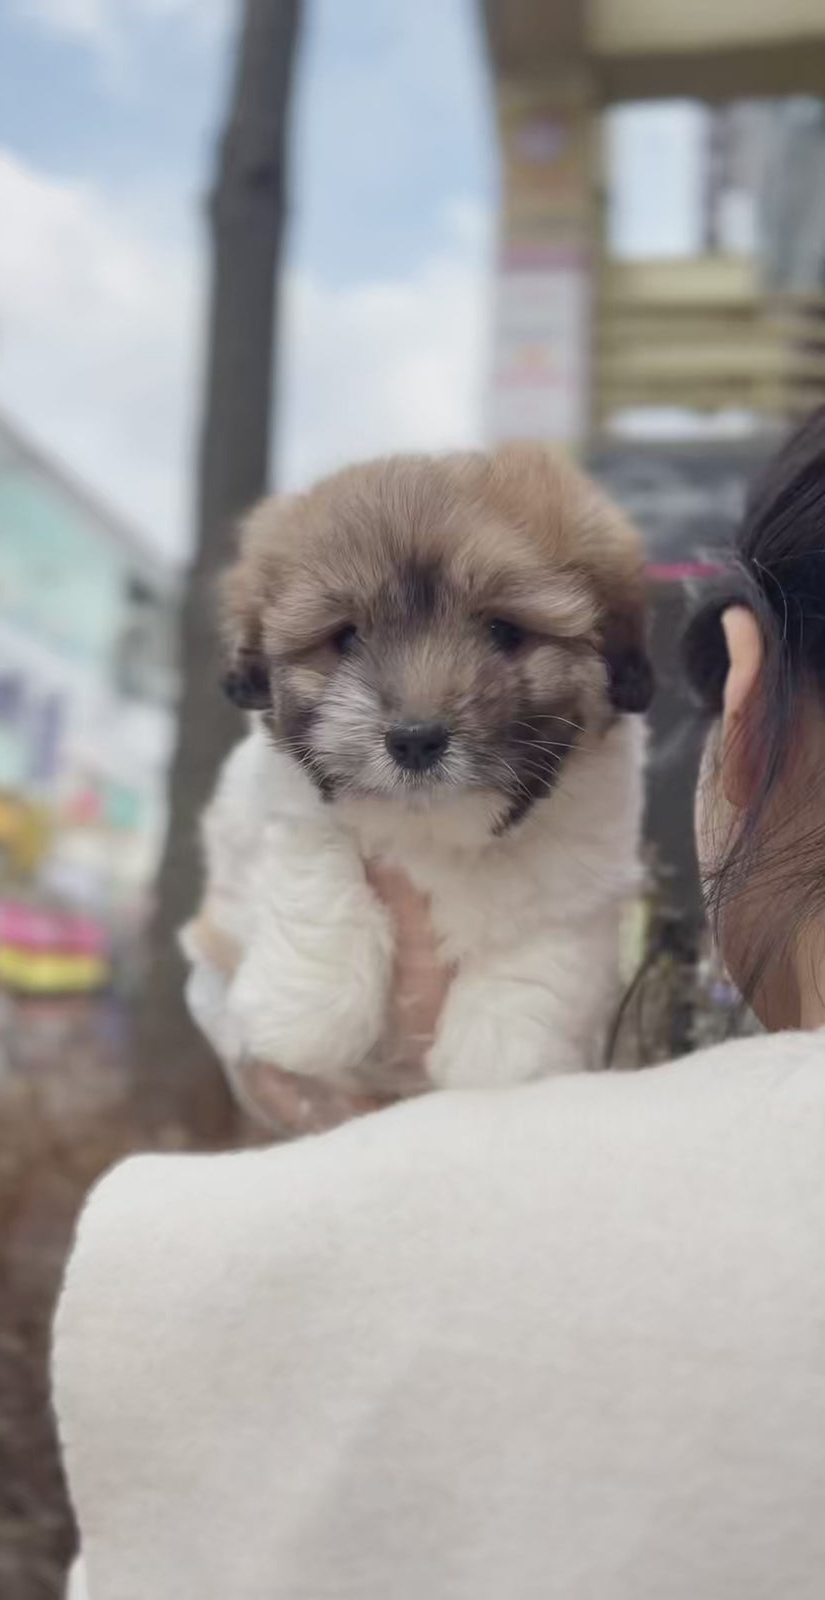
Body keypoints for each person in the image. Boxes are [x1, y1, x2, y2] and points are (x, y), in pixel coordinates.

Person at [55, 411, 825, 1600]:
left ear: (743, 689)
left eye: (507, 631)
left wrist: (374, 1138)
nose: (418, 704)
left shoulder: (174, 1275)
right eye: (345, 636)